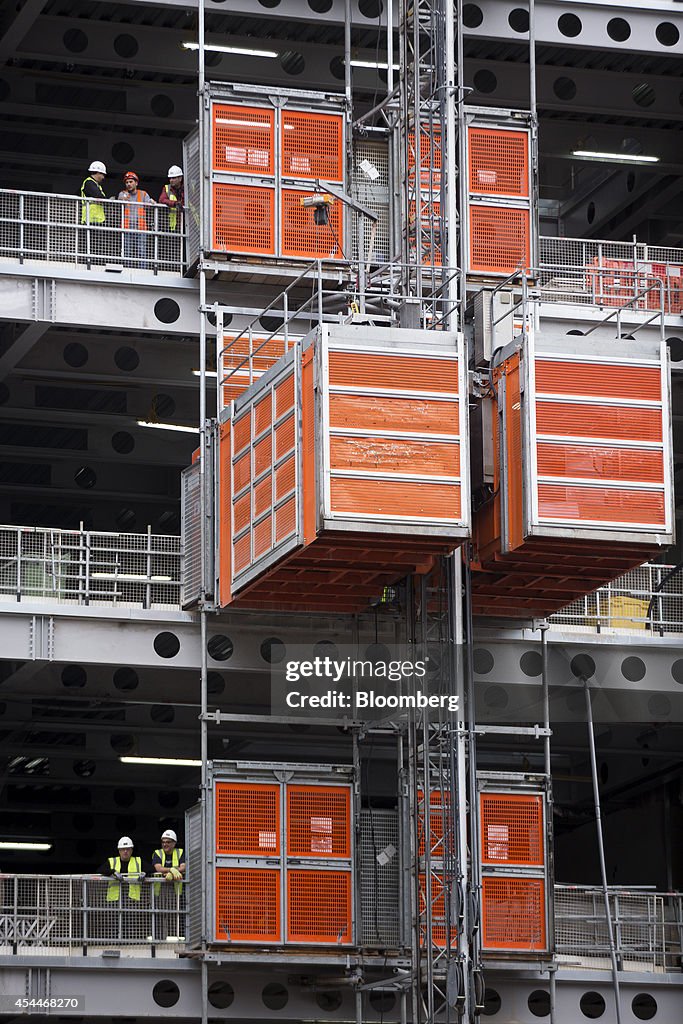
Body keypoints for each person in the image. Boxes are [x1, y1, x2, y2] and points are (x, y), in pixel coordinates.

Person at [97, 836, 150, 941]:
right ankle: (113, 941)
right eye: (123, 849)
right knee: (113, 921)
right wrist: (113, 872)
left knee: (130, 921)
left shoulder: (138, 861)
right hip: (115, 898)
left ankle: (130, 942)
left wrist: (145, 873)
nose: (125, 851)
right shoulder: (112, 861)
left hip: (131, 898)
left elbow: (151, 868)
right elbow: (101, 869)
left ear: (132, 850)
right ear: (119, 850)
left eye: (128, 849)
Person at [152, 829, 185, 940]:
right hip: (160, 889)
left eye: (168, 842)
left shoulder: (180, 852)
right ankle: (159, 938)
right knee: (159, 913)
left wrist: (169, 872)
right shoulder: (157, 853)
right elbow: (158, 868)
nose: (165, 844)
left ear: (174, 843)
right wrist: (172, 869)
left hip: (175, 890)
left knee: (174, 913)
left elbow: (183, 867)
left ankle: (173, 937)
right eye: (163, 842)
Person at [117, 171, 155, 267]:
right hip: (127, 228)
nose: (128, 184)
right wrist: (123, 199)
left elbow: (149, 203)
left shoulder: (143, 194)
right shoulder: (123, 194)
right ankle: (127, 269)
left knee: (142, 252)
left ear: (136, 183)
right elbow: (120, 200)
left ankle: (143, 270)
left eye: (131, 182)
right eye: (127, 182)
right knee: (127, 252)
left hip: (140, 228)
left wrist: (152, 202)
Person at [79, 160, 107, 263]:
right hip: (89, 219)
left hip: (97, 220)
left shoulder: (96, 185)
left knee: (97, 246)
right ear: (97, 172)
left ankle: (96, 263)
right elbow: (98, 196)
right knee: (89, 245)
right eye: (102, 174)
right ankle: (88, 264)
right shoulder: (89, 183)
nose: (103, 177)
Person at [158, 165, 184, 232]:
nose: (171, 180)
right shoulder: (167, 188)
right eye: (170, 178)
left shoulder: (187, 188)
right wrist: (175, 203)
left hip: (188, 223)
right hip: (173, 224)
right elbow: (162, 200)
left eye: (173, 178)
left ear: (180, 178)